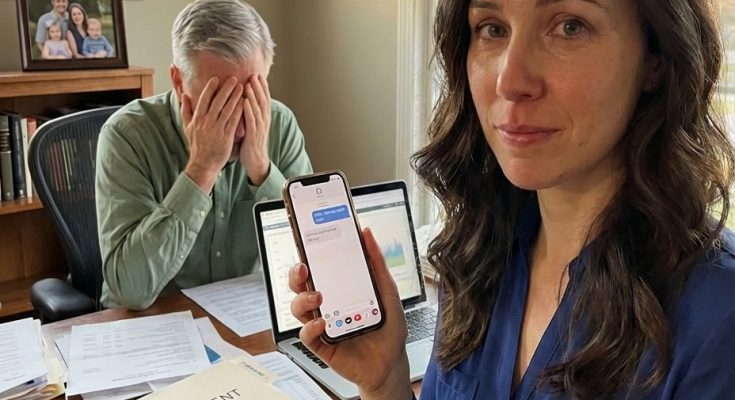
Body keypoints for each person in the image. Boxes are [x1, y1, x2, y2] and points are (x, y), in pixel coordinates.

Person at [289, 0, 735, 399]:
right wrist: (385, 381)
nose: (509, 80)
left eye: (570, 26)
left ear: (656, 58)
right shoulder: (476, 254)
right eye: (492, 28)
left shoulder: (719, 319)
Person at [96, 0, 313, 310]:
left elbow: (316, 257)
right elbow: (131, 291)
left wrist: (262, 171)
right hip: (151, 320)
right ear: (178, 81)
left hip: (244, 318)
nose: (238, 128)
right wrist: (201, 169)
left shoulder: (280, 123)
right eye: (219, 103)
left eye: (249, 97)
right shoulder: (126, 135)